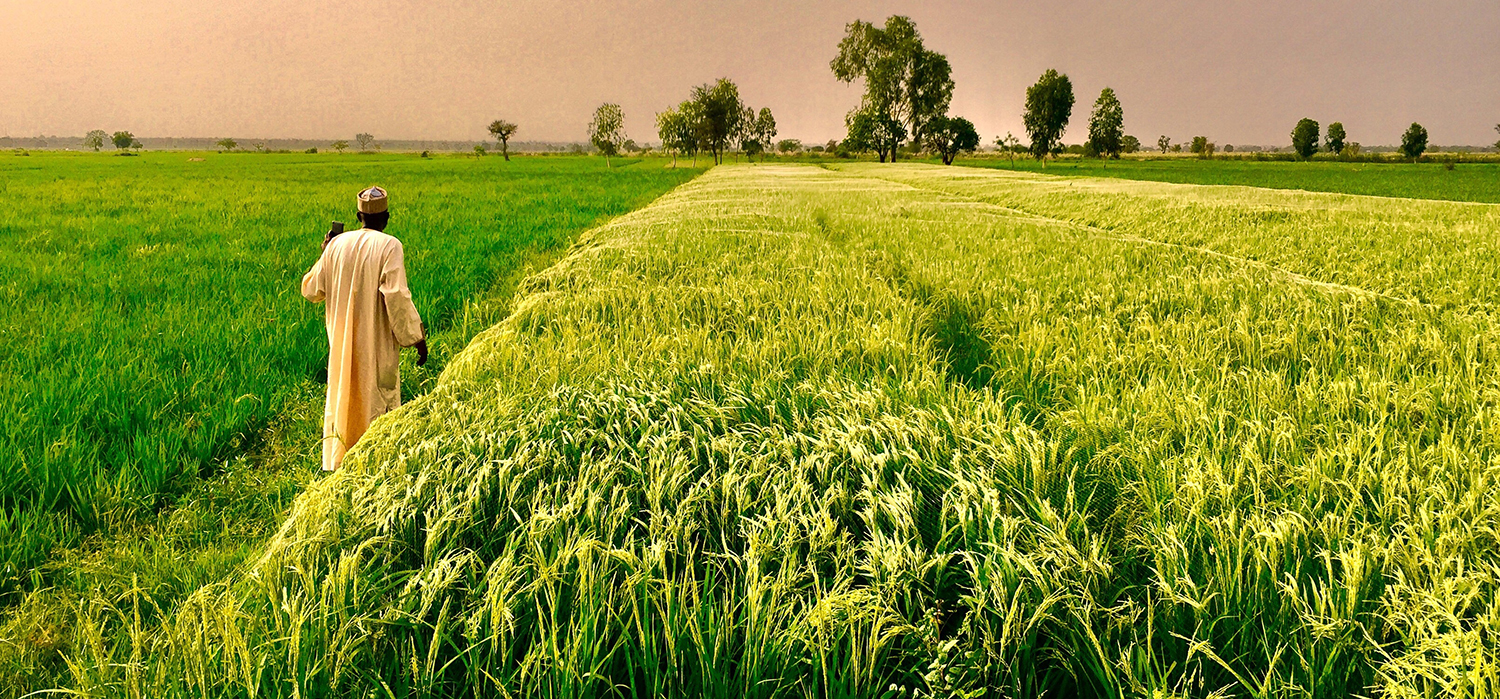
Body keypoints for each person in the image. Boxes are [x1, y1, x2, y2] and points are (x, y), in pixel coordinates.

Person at [300, 186, 428, 471]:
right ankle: (375, 466)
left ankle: (341, 465)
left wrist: (325, 253)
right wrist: (416, 337)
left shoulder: (337, 245)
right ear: (387, 217)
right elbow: (396, 295)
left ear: (359, 215)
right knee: (376, 399)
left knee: (344, 397)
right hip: (376, 342)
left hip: (342, 344)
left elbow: (311, 289)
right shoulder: (390, 245)